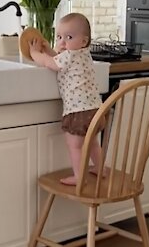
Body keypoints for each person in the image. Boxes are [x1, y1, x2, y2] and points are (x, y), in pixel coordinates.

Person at [29, 13, 105, 186]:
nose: (62, 42)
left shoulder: (70, 55)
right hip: (95, 109)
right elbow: (57, 57)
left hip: (77, 112)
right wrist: (49, 49)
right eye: (59, 37)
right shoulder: (84, 55)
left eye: (69, 37)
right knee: (92, 142)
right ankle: (101, 169)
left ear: (84, 41)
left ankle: (80, 177)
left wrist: (35, 53)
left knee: (75, 145)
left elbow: (50, 63)